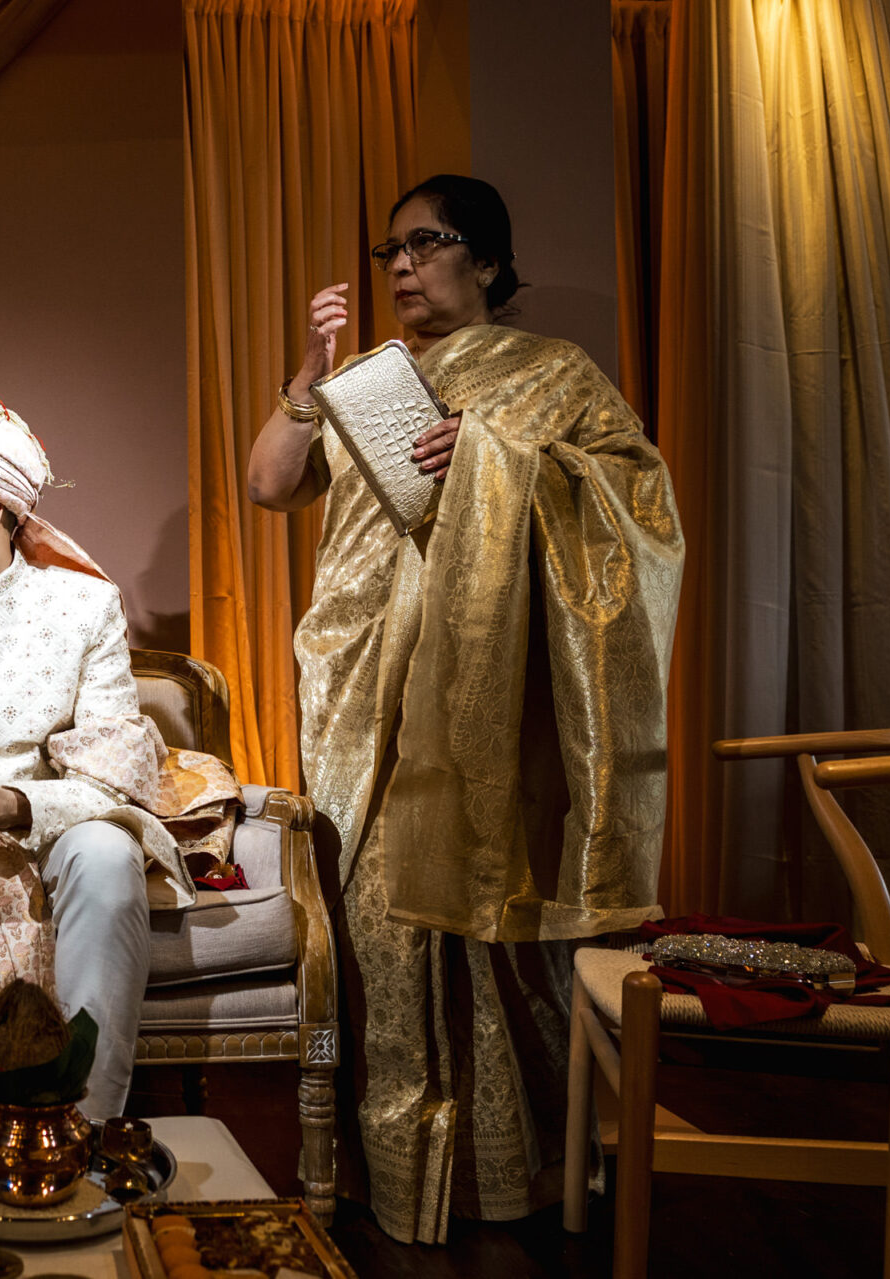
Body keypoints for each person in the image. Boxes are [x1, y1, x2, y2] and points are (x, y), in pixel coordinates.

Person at [247, 174, 684, 1243]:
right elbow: (270, 483)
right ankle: (392, 1171)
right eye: (392, 248)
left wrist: (500, 463)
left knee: (484, 913)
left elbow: (640, 507)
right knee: (375, 926)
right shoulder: (363, 381)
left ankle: (512, 1167)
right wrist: (309, 375)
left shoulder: (550, 372)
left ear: (485, 260)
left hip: (480, 688)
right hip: (358, 678)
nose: (402, 265)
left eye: (427, 243)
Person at [0, 350, 217, 1129]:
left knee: (109, 854)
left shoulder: (83, 606)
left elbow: (118, 778)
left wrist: (16, 803)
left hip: (44, 828)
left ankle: (80, 1129)